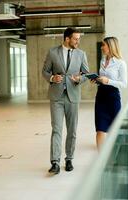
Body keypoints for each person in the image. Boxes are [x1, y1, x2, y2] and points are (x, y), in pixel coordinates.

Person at [42, 27, 89, 174]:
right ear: (67, 39)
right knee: (56, 129)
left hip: (73, 96)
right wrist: (52, 78)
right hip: (56, 96)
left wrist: (79, 79)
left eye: (78, 39)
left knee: (72, 130)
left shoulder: (81, 54)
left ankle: (69, 159)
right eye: (75, 39)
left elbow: (86, 74)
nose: (78, 41)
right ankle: (55, 162)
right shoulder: (52, 52)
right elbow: (45, 71)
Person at [92, 37, 127, 151]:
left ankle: (113, 158)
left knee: (114, 130)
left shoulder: (120, 63)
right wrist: (97, 80)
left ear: (111, 46)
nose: (102, 47)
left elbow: (124, 84)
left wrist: (108, 81)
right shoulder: (102, 61)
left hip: (113, 97)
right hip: (101, 96)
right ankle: (100, 160)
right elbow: (102, 78)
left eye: (104, 45)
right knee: (100, 129)